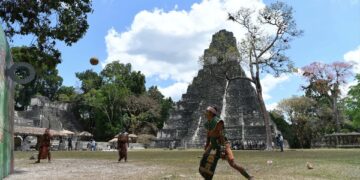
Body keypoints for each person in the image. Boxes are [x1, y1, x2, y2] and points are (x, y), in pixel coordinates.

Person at [203, 106, 253, 179]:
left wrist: (223, 150)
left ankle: (248, 176)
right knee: (208, 163)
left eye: (207, 113)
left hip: (222, 145)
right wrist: (207, 145)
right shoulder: (208, 123)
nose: (206, 114)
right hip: (214, 146)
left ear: (211, 114)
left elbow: (222, 136)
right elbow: (208, 135)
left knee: (233, 164)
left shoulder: (218, 122)